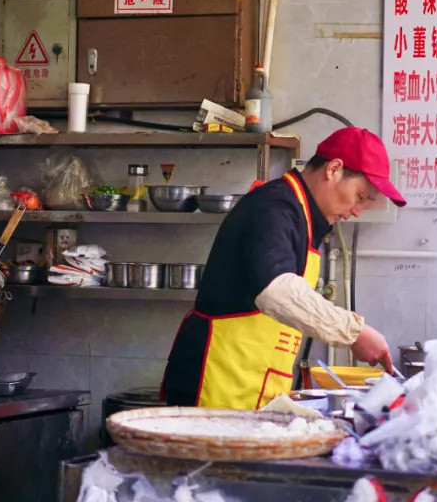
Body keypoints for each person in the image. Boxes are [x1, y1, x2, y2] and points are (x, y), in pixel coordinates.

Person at [161, 127, 406, 410]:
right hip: (216, 386)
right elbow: (276, 291)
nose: (357, 210)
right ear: (334, 169)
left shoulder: (305, 217)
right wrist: (353, 332)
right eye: (361, 196)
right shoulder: (274, 206)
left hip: (253, 389)